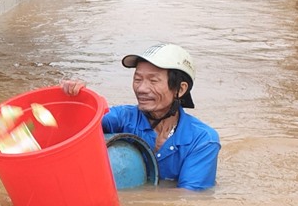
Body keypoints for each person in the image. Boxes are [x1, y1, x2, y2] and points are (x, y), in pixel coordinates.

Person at [61, 43, 220, 190]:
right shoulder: (123, 117)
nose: (142, 88)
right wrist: (74, 98)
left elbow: (188, 200)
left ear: (180, 89)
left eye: (153, 81)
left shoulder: (203, 140)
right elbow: (78, 126)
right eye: (137, 79)